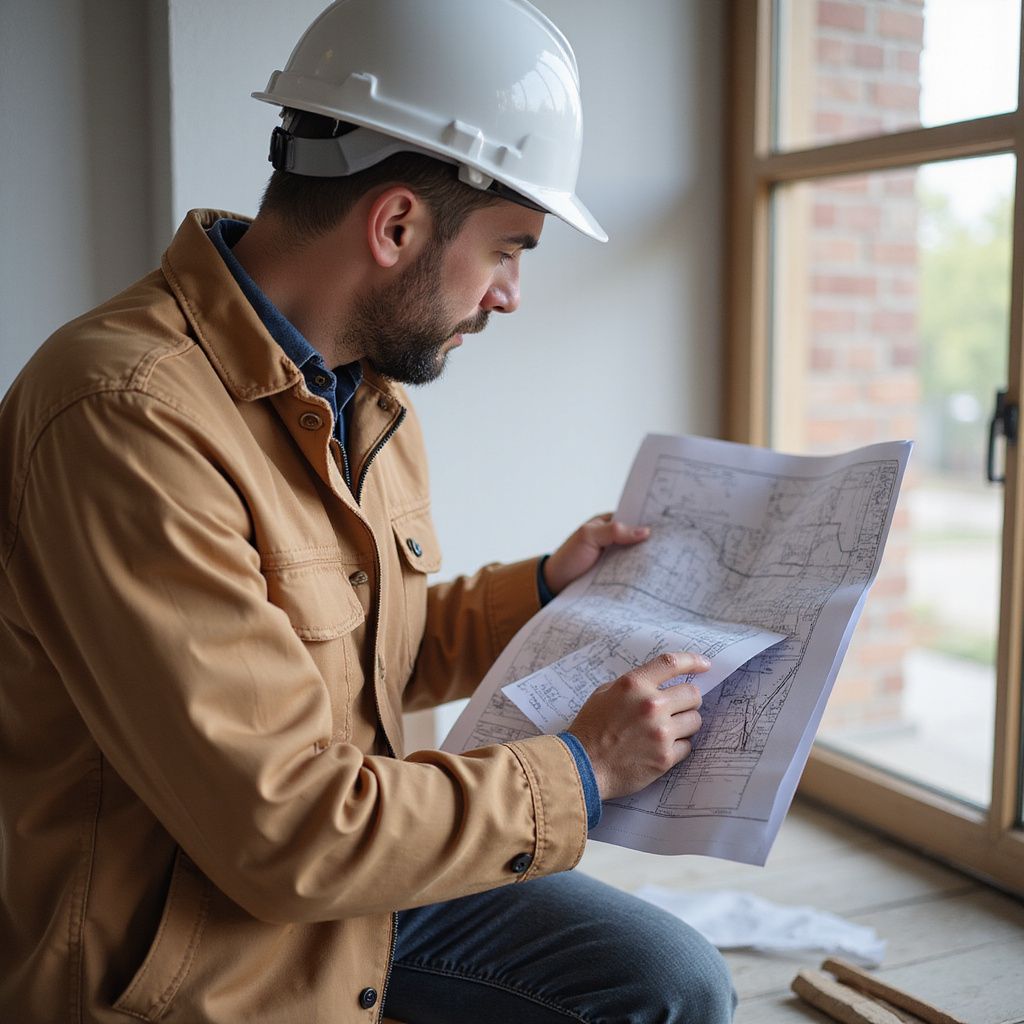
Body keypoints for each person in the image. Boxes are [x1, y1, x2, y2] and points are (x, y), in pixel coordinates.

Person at [0, 1, 736, 1021]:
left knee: (669, 982)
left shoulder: (363, 394)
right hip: (198, 949)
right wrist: (582, 768)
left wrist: (538, 592)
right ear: (395, 225)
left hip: (346, 885)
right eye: (508, 250)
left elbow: (356, 660)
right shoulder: (125, 419)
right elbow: (290, 830)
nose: (510, 295)